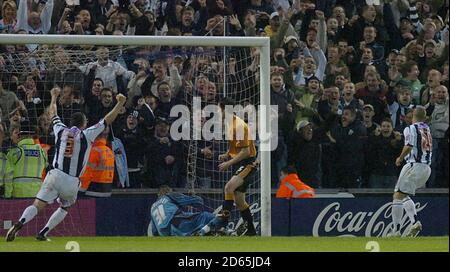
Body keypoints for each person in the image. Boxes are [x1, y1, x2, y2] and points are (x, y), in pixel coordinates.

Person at [6, 87, 127, 242]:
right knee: (65, 207)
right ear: (84, 123)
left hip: (55, 175)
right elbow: (107, 120)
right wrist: (119, 104)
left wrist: (53, 97)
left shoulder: (60, 130)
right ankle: (43, 232)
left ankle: (20, 223)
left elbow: (53, 113)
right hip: (71, 180)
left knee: (37, 205)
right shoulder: (87, 134)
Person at [199, 97, 258, 236]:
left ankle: (223, 222)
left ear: (225, 109)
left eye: (219, 108)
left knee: (228, 187)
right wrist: (227, 154)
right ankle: (251, 230)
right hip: (240, 162)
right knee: (239, 200)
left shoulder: (238, 125)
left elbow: (246, 151)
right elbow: (237, 147)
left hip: (248, 163)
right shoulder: (230, 124)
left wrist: (228, 163)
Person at [388, 106, 432, 238]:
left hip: (414, 165)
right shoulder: (427, 129)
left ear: (413, 115)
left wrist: (400, 158)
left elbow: (409, 145)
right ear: (424, 117)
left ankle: (396, 231)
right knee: (403, 194)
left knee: (397, 196)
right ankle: (414, 222)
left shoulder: (411, 128)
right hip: (426, 168)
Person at [4, 119, 47, 198]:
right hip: (37, 195)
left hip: (18, 195)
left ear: (19, 135)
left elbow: (8, 176)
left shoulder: (14, 152)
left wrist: (7, 195)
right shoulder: (42, 152)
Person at [149, 185, 215, 236]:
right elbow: (199, 201)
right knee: (206, 216)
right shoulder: (169, 195)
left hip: (165, 233)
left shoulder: (152, 207)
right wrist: (193, 195)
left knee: (187, 216)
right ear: (169, 191)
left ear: (158, 195)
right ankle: (222, 227)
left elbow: (154, 232)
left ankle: (196, 232)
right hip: (178, 224)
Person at [79, 126, 115, 197]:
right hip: (107, 191)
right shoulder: (109, 151)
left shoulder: (94, 151)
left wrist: (80, 190)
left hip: (93, 191)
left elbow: (87, 173)